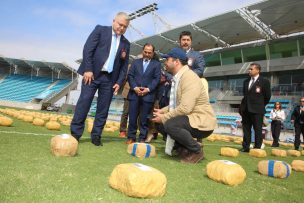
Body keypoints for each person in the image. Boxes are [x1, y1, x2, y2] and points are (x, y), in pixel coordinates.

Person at [70, 12, 130, 146]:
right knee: (84, 103)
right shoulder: (100, 30)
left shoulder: (126, 43)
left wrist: (119, 83)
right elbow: (88, 50)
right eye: (120, 24)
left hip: (110, 79)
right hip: (92, 75)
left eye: (125, 27)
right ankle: (75, 133)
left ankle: (96, 135)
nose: (121, 28)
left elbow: (124, 66)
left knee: (103, 109)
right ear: (114, 21)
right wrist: (88, 69)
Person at [152, 48, 217, 164]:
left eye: (167, 59)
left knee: (170, 124)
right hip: (191, 118)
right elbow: (177, 103)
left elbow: (185, 108)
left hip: (201, 121)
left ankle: (196, 150)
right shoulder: (180, 77)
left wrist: (164, 117)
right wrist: (161, 111)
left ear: (176, 62)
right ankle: (183, 148)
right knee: (159, 124)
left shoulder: (189, 77)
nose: (165, 62)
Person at [126, 43, 161, 144]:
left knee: (144, 119)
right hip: (134, 94)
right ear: (142, 51)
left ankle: (142, 137)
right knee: (132, 117)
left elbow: (156, 79)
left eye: (149, 52)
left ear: (153, 53)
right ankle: (131, 137)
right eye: (145, 52)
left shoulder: (157, 64)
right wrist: (135, 88)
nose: (147, 54)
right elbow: (130, 76)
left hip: (148, 96)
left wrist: (148, 89)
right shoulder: (135, 62)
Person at [239, 63, 271, 152]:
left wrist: (260, 105)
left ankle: (257, 147)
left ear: (258, 70)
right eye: (249, 69)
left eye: (251, 69)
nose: (249, 70)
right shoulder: (246, 81)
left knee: (257, 129)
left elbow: (267, 96)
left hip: (257, 110)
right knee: (246, 129)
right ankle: (246, 147)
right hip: (246, 110)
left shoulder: (264, 81)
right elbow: (245, 95)